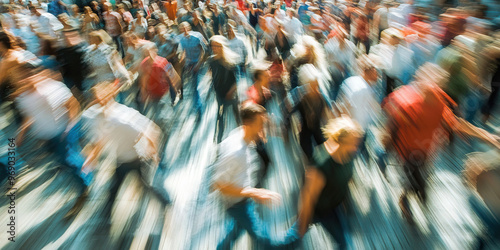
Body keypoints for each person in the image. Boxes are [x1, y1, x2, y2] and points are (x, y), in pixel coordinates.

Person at [382, 63, 500, 224]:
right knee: (413, 182)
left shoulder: (437, 101)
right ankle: (405, 200)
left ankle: (415, 193)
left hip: (427, 152)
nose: (435, 87)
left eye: (438, 83)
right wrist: (387, 146)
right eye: (431, 83)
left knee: (422, 180)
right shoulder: (407, 102)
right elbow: (390, 127)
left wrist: (487, 136)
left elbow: (456, 124)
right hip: (408, 154)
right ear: (420, 82)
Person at [213, 103, 299, 250]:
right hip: (237, 204)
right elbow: (219, 185)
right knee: (266, 240)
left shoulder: (242, 134)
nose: (262, 129)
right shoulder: (235, 151)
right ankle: (299, 231)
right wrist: (255, 192)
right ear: (248, 124)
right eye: (260, 124)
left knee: (235, 231)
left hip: (243, 199)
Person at [81, 82, 169, 221]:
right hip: (122, 160)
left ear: (110, 96)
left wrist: (154, 153)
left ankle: (166, 203)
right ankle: (106, 215)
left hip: (137, 159)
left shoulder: (125, 116)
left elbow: (152, 131)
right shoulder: (101, 118)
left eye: (99, 99)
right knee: (114, 188)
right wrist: (92, 157)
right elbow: (101, 140)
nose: (96, 102)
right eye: (96, 100)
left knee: (147, 185)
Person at [297, 116, 364, 250]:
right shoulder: (323, 164)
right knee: (292, 239)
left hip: (335, 206)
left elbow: (346, 177)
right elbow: (307, 197)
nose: (356, 146)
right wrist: (302, 224)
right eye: (353, 142)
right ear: (342, 141)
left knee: (344, 241)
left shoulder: (349, 154)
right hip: (321, 211)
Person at [209, 35, 239, 143]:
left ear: (222, 47)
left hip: (231, 94)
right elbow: (212, 76)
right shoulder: (211, 61)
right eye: (213, 46)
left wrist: (231, 92)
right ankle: (219, 140)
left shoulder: (230, 62)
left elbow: (237, 81)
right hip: (219, 94)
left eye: (217, 46)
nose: (214, 48)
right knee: (220, 117)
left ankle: (241, 135)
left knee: (237, 115)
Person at [178, 21, 208, 113]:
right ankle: (197, 105)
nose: (185, 31)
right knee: (193, 86)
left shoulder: (197, 36)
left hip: (200, 63)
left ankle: (199, 107)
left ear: (189, 28)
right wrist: (182, 60)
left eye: (186, 28)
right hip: (190, 64)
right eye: (182, 29)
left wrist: (199, 63)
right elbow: (184, 51)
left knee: (195, 86)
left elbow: (205, 50)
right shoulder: (181, 39)